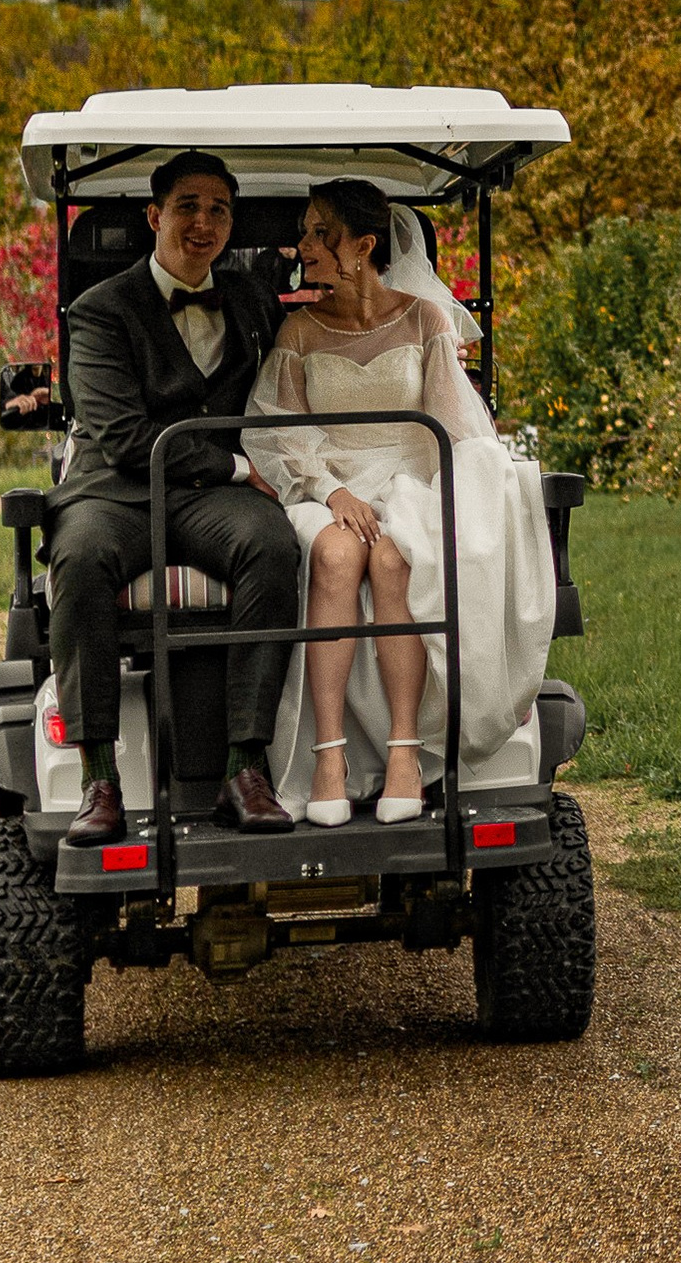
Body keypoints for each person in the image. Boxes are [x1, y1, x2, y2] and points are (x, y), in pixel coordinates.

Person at [245, 179, 555, 825]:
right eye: (304, 231)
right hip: (324, 483)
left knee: (396, 559)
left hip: (408, 479)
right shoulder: (300, 330)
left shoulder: (424, 319)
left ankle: (405, 752)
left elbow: (450, 421)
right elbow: (276, 429)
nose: (302, 246)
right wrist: (333, 492)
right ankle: (328, 756)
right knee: (335, 556)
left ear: (362, 246)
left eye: (317, 232)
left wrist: (477, 478)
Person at [45, 151, 302, 844]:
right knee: (79, 554)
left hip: (211, 498)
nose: (204, 222)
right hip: (122, 488)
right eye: (188, 205)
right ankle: (100, 779)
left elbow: (287, 377)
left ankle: (244, 770)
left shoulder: (250, 298)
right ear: (155, 216)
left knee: (273, 546)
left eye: (219, 209)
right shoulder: (99, 311)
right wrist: (237, 468)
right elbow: (126, 439)